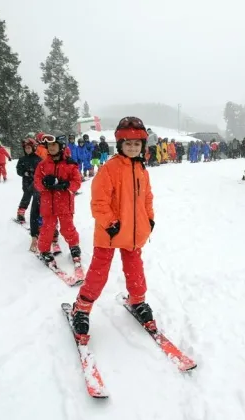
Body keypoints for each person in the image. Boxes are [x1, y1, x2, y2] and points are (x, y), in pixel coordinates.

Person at [70, 116, 156, 342]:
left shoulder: (142, 170)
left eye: (137, 144)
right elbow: (99, 203)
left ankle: (137, 300)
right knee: (99, 273)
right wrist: (111, 224)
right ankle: (81, 308)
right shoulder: (109, 169)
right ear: (119, 145)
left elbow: (147, 198)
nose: (132, 147)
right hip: (110, 233)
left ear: (142, 146)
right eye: (128, 143)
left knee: (135, 270)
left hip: (135, 234)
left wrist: (150, 219)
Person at [33, 134, 83, 264]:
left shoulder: (70, 164)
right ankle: (44, 250)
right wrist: (44, 184)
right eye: (49, 145)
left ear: (61, 146)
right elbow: (37, 182)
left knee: (68, 228)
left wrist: (66, 185)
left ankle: (74, 246)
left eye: (54, 145)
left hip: (64, 203)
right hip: (47, 204)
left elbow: (77, 182)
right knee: (47, 228)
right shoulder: (42, 164)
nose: (52, 148)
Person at [16, 138, 42, 235]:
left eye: (29, 148)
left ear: (32, 148)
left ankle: (38, 218)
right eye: (26, 148)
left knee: (37, 200)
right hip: (27, 182)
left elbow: (42, 169)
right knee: (26, 197)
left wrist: (36, 174)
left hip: (36, 182)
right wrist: (24, 173)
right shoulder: (22, 159)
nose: (27, 150)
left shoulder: (38, 159)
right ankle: (20, 213)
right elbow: (18, 170)